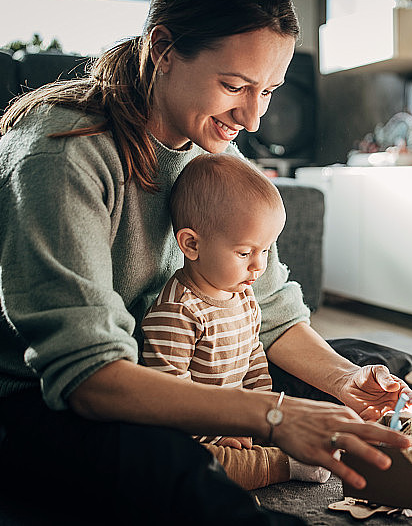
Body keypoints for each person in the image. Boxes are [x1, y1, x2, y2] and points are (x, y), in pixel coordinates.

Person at [0, 0, 412, 524]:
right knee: (166, 462)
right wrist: (273, 414)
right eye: (234, 86)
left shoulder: (211, 145)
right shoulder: (61, 156)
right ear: (163, 50)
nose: (252, 118)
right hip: (26, 400)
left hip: (169, 364)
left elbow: (270, 309)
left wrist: (343, 381)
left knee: (359, 360)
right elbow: (89, 377)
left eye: (268, 91)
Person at [141, 153, 330, 490]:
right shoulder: (177, 312)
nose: (259, 266)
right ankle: (282, 466)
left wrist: (260, 417)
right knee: (194, 467)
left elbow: (254, 357)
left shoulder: (242, 295)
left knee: (297, 416)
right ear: (192, 244)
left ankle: (276, 450)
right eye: (245, 253)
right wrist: (219, 430)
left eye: (266, 250)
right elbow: (169, 399)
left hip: (234, 413)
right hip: (191, 428)